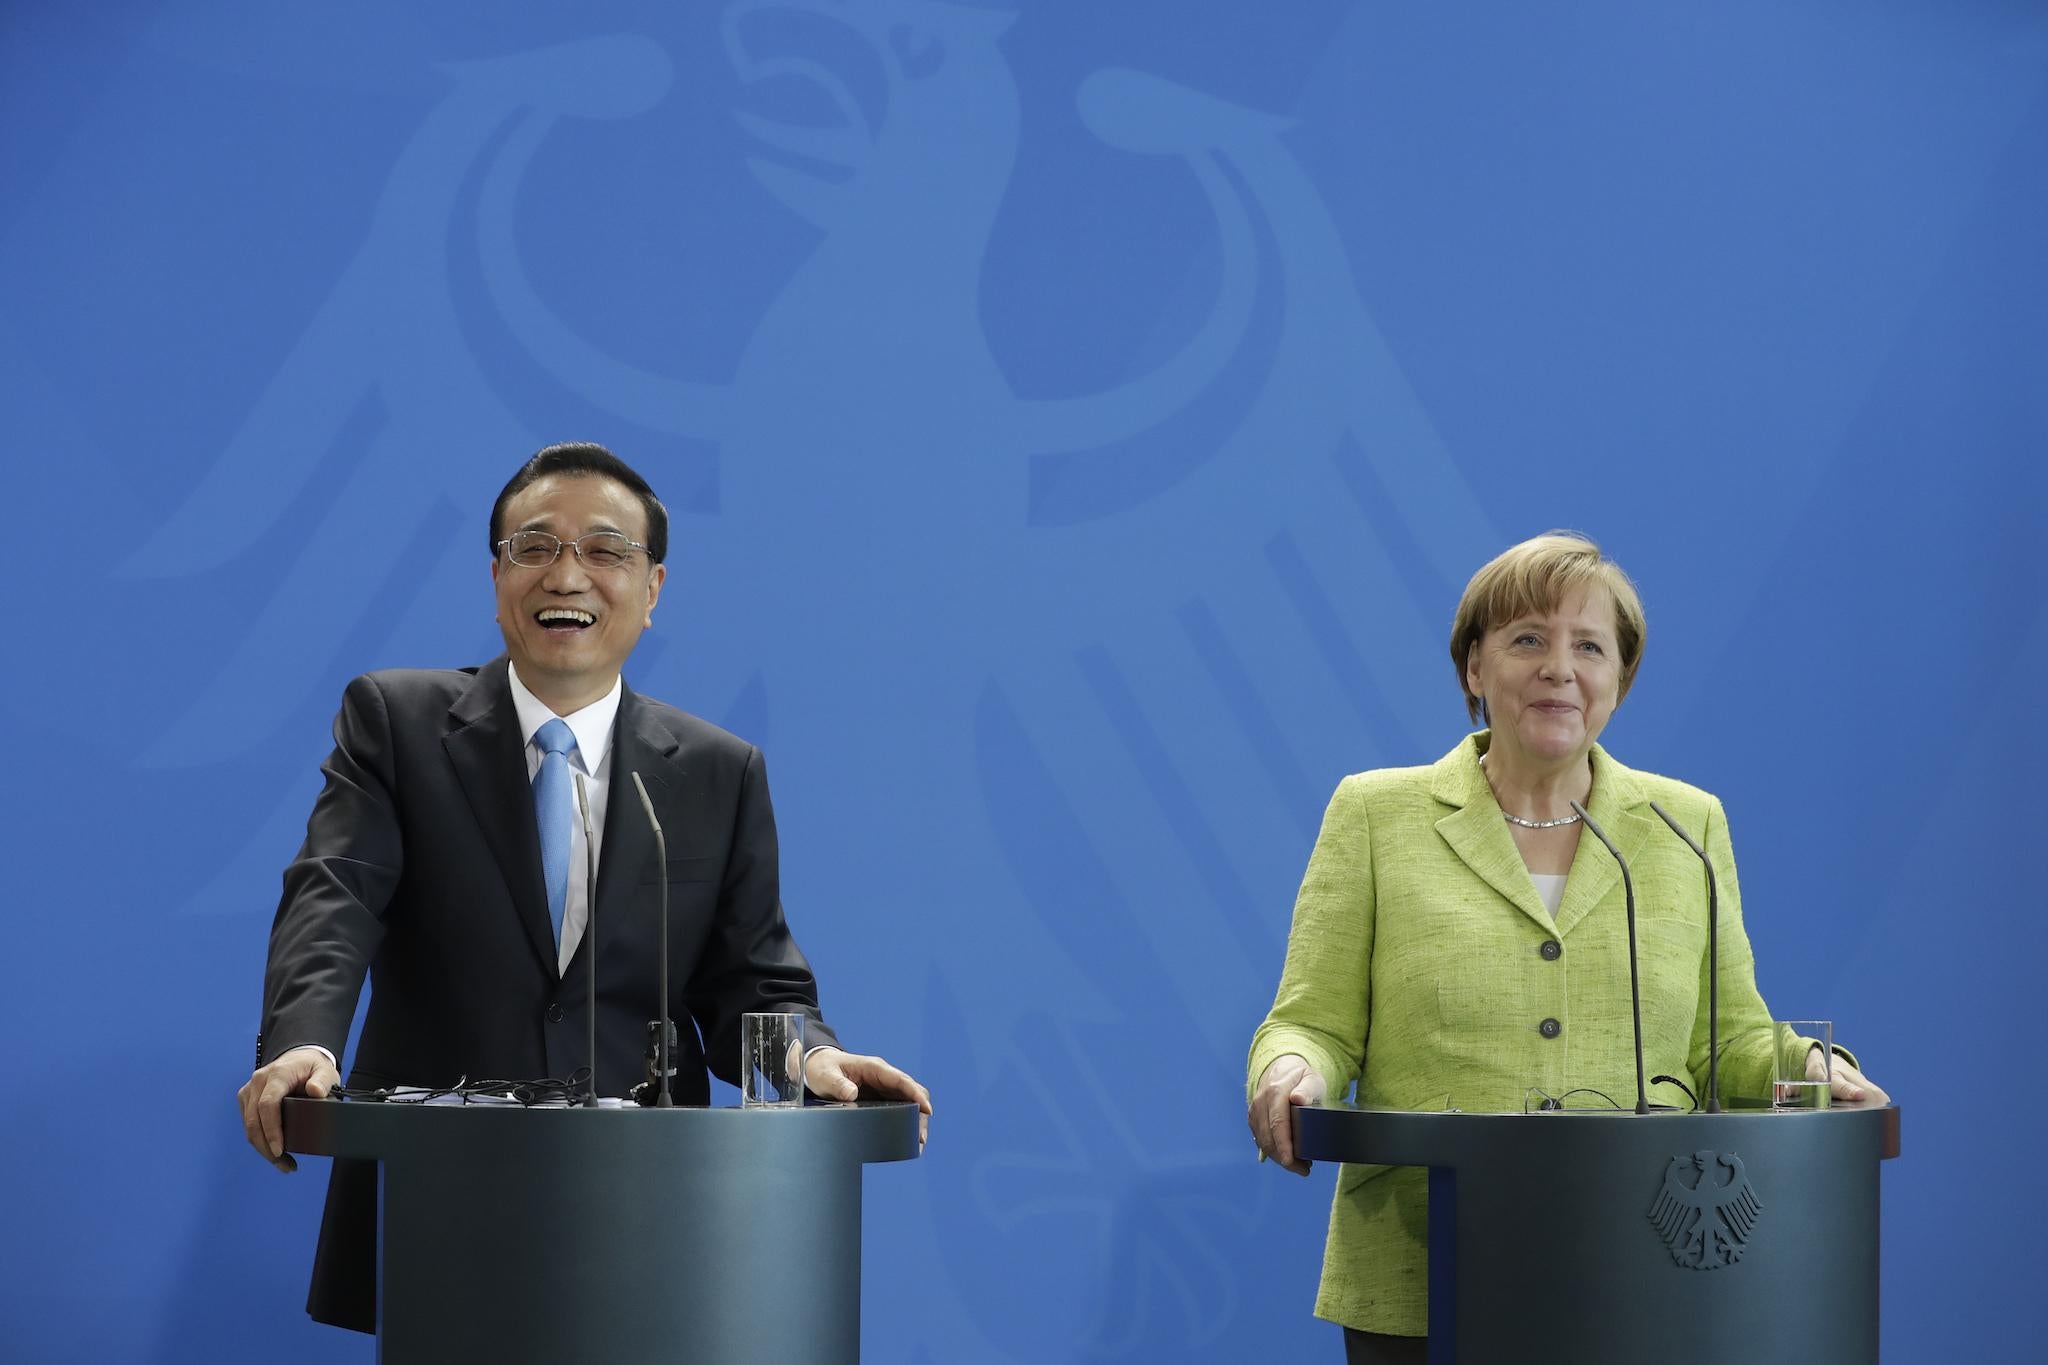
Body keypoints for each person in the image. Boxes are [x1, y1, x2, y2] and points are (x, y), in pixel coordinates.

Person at [236, 442, 932, 1333]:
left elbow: (751, 982)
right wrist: (304, 1042)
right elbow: (334, 893)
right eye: (535, 546)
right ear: (496, 580)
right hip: (441, 1203)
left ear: (653, 591)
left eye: (606, 550)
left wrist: (808, 1060)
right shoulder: (397, 723)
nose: (568, 573)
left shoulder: (717, 772)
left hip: (650, 1208)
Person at [1244, 531, 1886, 1364]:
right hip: (1424, 1275)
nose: (1560, 667)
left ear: (1618, 680)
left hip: (1644, 1269)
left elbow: (1727, 1040)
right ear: (1475, 668)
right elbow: (1313, 1023)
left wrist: (1812, 1066)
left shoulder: (1684, 825)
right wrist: (1290, 1068)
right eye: (1527, 639)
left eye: (1590, 645)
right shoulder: (1376, 815)